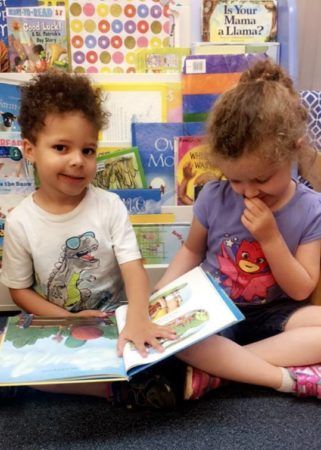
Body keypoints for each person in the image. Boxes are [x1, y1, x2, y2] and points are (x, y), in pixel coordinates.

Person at [0, 71, 182, 408]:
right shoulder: (20, 221)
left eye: (88, 150)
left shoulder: (109, 205)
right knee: (15, 350)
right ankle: (118, 389)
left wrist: (139, 317)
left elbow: (134, 268)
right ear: (29, 149)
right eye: (61, 147)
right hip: (53, 319)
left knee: (163, 348)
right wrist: (66, 319)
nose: (77, 161)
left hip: (113, 318)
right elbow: (20, 291)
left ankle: (114, 383)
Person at [155, 59, 321, 401]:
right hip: (216, 310)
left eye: (261, 179)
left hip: (276, 313)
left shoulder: (310, 208)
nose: (247, 191)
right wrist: (157, 297)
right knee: (180, 339)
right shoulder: (214, 197)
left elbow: (302, 288)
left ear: (293, 149)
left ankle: (224, 370)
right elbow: (190, 251)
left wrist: (270, 238)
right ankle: (282, 377)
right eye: (235, 179)